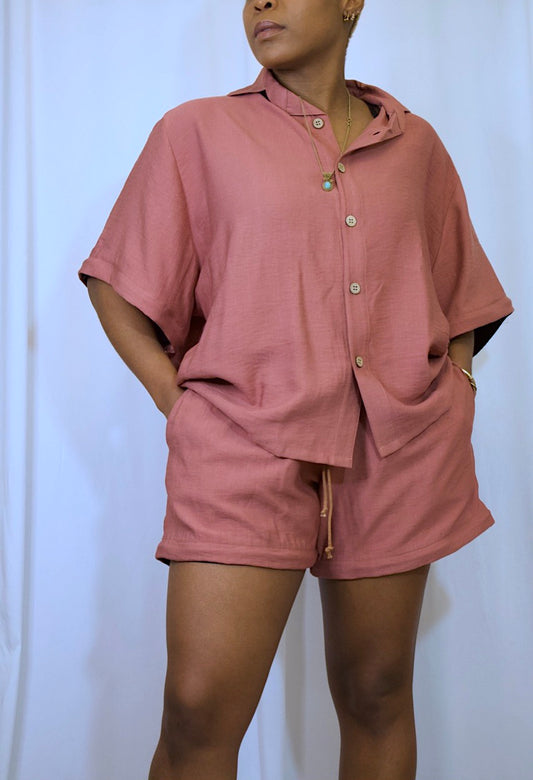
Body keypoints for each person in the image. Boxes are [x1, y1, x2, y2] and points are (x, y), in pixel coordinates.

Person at [78, 1, 514, 778]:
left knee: (377, 694)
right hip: (242, 448)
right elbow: (119, 282)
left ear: (350, 2)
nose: (260, 4)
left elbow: (461, 293)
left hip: (398, 455)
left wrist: (456, 384)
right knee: (197, 711)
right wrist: (181, 405)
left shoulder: (414, 146)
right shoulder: (196, 132)